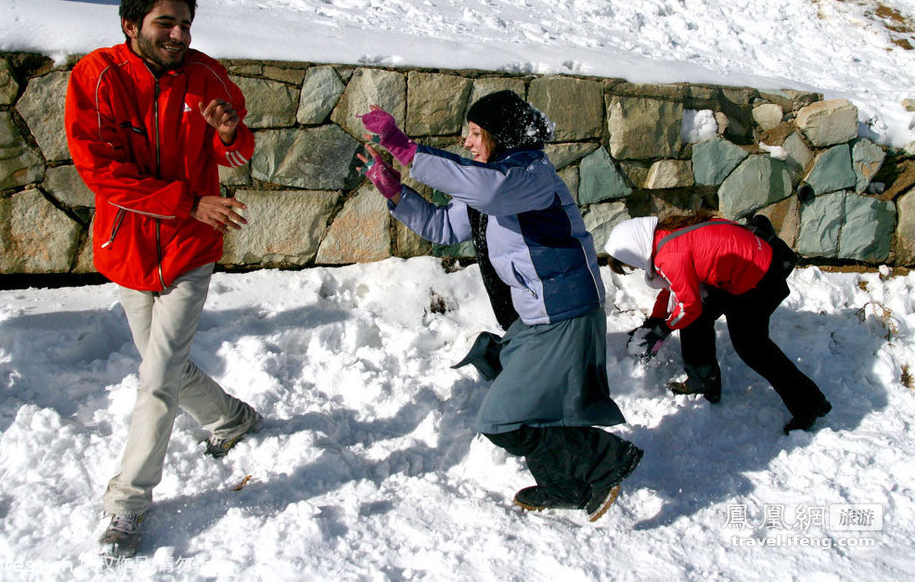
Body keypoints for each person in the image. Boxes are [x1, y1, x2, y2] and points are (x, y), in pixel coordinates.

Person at [356, 90, 642, 522]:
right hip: (539, 314)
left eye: (475, 133)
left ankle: (604, 459)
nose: (467, 143)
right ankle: (566, 482)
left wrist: (404, 146)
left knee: (502, 421)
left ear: (502, 134)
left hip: (563, 312)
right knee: (510, 374)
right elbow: (443, 226)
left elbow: (486, 191)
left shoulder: (528, 173)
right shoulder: (495, 180)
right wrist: (396, 194)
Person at [65, 0, 263, 559]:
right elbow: (101, 173)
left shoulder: (207, 78)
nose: (177, 34)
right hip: (128, 248)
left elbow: (236, 151)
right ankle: (231, 420)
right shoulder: (95, 77)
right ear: (131, 26)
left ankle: (126, 504)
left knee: (155, 379)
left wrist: (230, 134)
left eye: (184, 24)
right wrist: (186, 200)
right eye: (164, 24)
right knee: (164, 365)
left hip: (189, 250)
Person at [603, 212, 832, 435]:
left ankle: (809, 403)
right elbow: (673, 288)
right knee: (697, 319)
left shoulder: (670, 254)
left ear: (634, 250)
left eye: (630, 264)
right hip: (739, 273)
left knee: (752, 348)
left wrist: (663, 329)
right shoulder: (666, 236)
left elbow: (688, 305)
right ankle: (703, 381)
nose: (634, 268)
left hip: (760, 279)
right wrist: (655, 319)